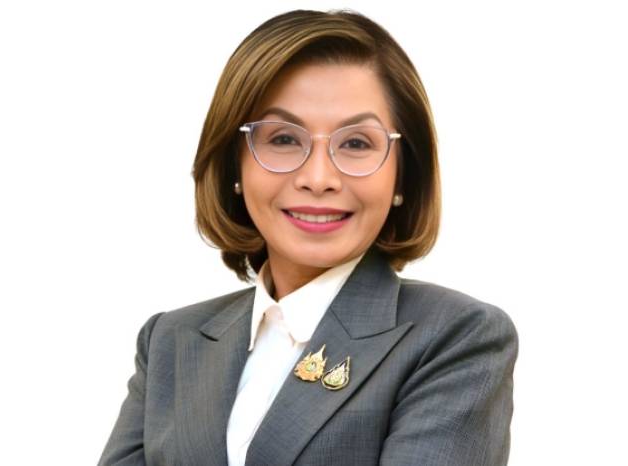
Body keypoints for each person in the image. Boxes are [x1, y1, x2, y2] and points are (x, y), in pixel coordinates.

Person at [98, 8, 519, 466]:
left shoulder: (455, 337)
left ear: (402, 175)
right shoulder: (170, 341)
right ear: (235, 163)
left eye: (356, 143)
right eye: (283, 139)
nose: (318, 179)